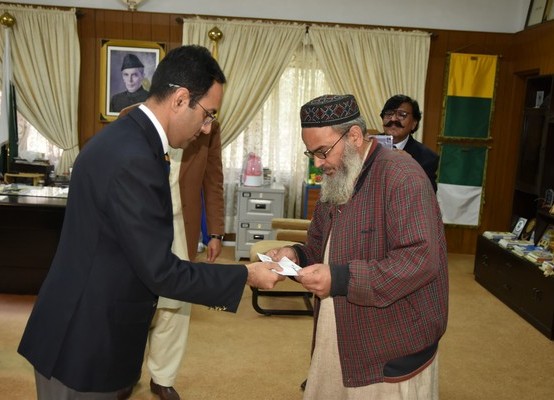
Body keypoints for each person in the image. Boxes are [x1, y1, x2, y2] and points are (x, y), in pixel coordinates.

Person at [17, 44, 284, 399]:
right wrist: (246, 275)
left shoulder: (123, 136)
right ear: (180, 99)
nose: (207, 129)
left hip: (78, 323)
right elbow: (161, 272)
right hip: (85, 341)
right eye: (208, 115)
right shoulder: (136, 158)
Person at [267, 94, 448, 399]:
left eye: (323, 152)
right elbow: (319, 246)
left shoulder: (403, 176)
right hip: (339, 326)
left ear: (353, 136)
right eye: (311, 153)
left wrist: (341, 279)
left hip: (391, 343)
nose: (317, 163)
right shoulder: (338, 176)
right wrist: (295, 254)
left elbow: (419, 260)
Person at [380, 94, 439, 192]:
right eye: (389, 113)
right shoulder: (367, 145)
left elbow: (427, 194)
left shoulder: (427, 158)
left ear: (414, 124)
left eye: (402, 115)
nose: (393, 119)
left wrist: (410, 164)